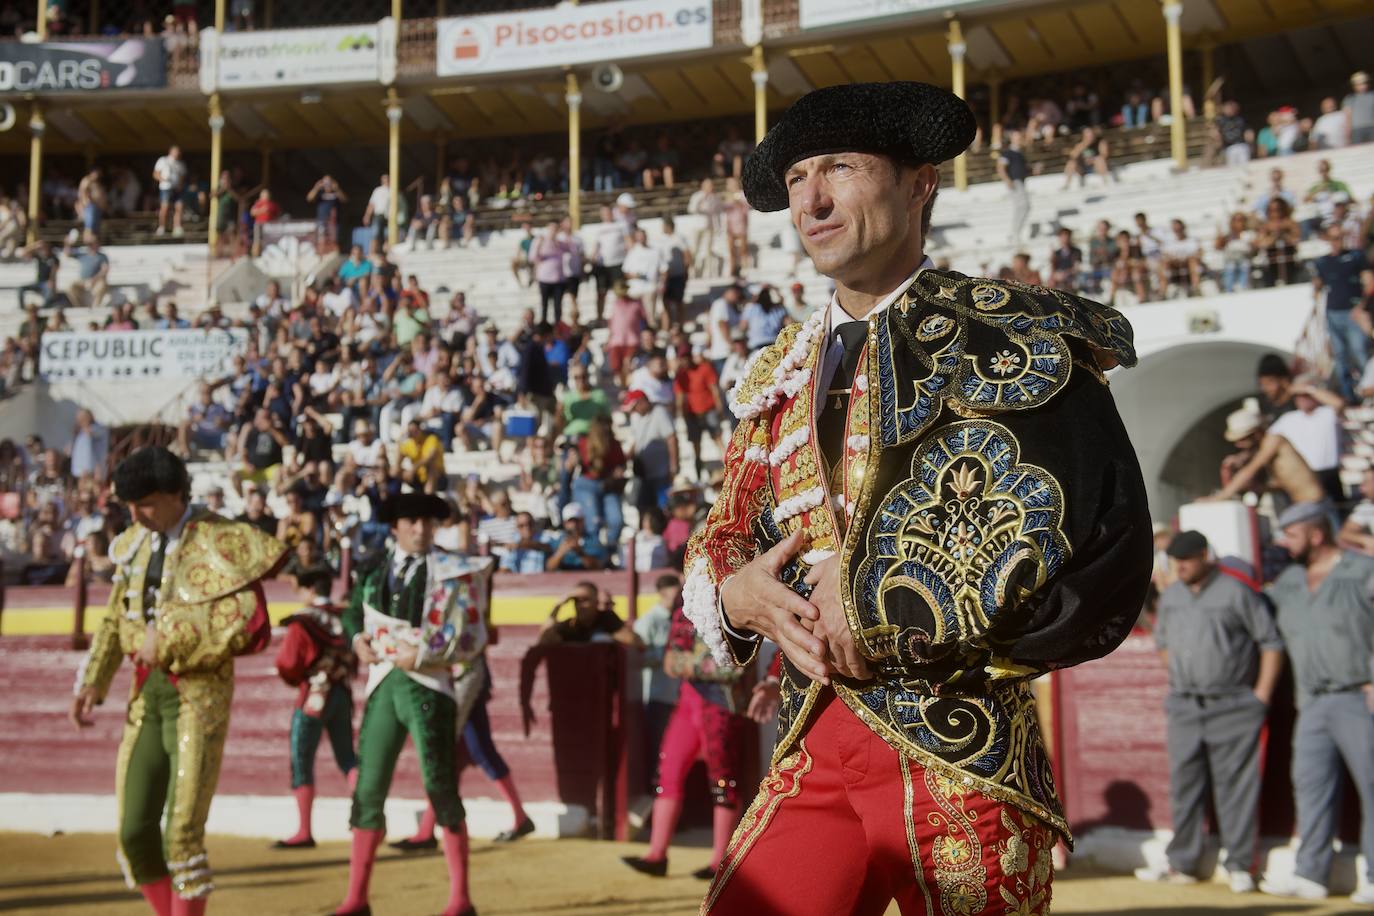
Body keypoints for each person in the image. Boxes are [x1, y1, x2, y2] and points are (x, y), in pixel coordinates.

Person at [682, 81, 1152, 913]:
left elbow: (1092, 534)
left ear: (919, 183)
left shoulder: (1009, 336)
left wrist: (870, 599)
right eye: (795, 180)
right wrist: (735, 591)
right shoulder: (780, 370)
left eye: (840, 169)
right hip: (812, 743)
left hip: (960, 747)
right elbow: (728, 523)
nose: (812, 200)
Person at [69, 447, 286, 913]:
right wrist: (92, 680)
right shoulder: (134, 544)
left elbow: (247, 623)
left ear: (172, 495)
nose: (134, 514)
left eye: (143, 503)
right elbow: (113, 618)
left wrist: (165, 640)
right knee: (133, 833)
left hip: (199, 695)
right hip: (146, 692)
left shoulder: (221, 539)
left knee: (182, 837)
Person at [334, 492, 493, 916]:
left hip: (429, 684)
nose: (421, 529)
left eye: (427, 522)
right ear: (395, 527)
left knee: (440, 783)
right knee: (368, 786)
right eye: (412, 522)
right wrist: (358, 639)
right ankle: (356, 898)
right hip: (384, 682)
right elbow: (352, 613)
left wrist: (422, 653)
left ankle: (460, 899)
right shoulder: (372, 569)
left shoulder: (454, 572)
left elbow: (474, 633)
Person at [1135, 531, 1283, 892]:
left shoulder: (1237, 592)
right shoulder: (1172, 597)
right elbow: (1164, 642)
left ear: (1205, 556)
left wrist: (1261, 694)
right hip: (1185, 704)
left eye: (1186, 560)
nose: (1179, 566)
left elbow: (1270, 642)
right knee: (1184, 787)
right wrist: (1177, 677)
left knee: (1237, 788)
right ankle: (1182, 863)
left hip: (1232, 703)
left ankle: (1240, 865)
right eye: (1174, 560)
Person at [1261, 502, 1374, 905]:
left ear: (1316, 534)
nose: (1283, 543)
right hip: (1311, 702)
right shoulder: (1289, 581)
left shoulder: (1362, 571)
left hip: (1359, 694)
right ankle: (1312, 875)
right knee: (1310, 787)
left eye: (1291, 534)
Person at [622, 599, 753, 882]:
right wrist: (710, 664)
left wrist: (692, 664)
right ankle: (657, 855)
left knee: (723, 779)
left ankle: (721, 860)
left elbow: (736, 667)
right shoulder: (686, 610)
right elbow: (672, 663)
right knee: (668, 774)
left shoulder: (735, 601)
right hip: (690, 702)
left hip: (721, 705)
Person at [273, 567, 357, 850]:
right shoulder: (345, 616)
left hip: (314, 696)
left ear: (309, 590)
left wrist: (298, 679)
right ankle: (365, 817)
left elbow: (287, 663)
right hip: (342, 693)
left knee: (301, 760)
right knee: (347, 757)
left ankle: (304, 831)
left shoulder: (303, 622)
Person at [1205, 404, 1326, 506]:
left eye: (1242, 439)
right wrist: (1259, 487)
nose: (1238, 445)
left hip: (1313, 501)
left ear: (1256, 433)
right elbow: (1285, 483)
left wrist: (1220, 497)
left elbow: (1249, 470)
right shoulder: (1266, 447)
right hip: (1305, 502)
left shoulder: (1273, 440)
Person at [633, 574, 680, 792]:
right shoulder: (649, 621)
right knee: (658, 751)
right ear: (662, 594)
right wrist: (666, 654)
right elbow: (637, 657)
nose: (679, 598)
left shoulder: (680, 620)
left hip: (675, 697)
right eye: (675, 594)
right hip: (656, 697)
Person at [1312, 223, 1369, 402]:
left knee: (1359, 351)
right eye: (1334, 238)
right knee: (1340, 356)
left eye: (1340, 237)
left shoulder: (1356, 257)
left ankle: (1368, 390)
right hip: (1333, 313)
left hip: (1352, 312)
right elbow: (1318, 285)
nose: (1338, 242)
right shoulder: (1323, 262)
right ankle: (1350, 396)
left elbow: (1369, 282)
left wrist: (1361, 307)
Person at [536, 580, 641, 647]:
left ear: (596, 602)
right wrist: (557, 608)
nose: (580, 605)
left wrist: (607, 639)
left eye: (585, 600)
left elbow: (634, 641)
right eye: (576, 601)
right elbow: (543, 641)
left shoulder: (606, 618)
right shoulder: (571, 624)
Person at [153, 145, 186, 237]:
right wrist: (163, 180)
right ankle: (161, 227)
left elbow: (182, 177)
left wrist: (180, 185)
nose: (177, 153)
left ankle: (177, 227)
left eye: (178, 151)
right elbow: (155, 174)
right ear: (171, 151)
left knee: (179, 207)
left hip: (177, 189)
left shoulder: (180, 164)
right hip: (166, 188)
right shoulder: (163, 160)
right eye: (175, 151)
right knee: (165, 207)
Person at [1344, 70, 1374, 145]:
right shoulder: (1349, 98)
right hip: (1356, 129)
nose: (1362, 86)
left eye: (1364, 83)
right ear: (1354, 85)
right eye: (1359, 84)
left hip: (1372, 126)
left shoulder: (1372, 95)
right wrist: (1348, 132)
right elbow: (1348, 116)